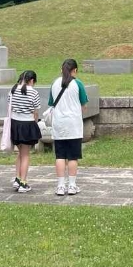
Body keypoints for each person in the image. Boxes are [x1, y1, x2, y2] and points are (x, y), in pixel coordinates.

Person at [48, 59, 89, 197]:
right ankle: (72, 185)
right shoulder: (78, 84)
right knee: (72, 157)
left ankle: (60, 186)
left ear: (61, 69)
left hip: (59, 124)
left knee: (60, 155)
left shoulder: (54, 83)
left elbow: (51, 103)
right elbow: (84, 105)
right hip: (73, 125)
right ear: (75, 70)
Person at [8, 70, 41, 193]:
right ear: (31, 80)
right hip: (27, 124)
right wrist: (35, 123)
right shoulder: (33, 92)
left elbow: (10, 107)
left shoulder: (13, 89)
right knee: (26, 154)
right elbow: (36, 112)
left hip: (15, 123)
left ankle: (17, 179)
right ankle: (23, 182)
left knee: (20, 153)